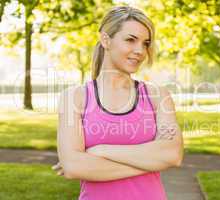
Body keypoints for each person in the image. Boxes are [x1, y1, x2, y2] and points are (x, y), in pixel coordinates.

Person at [52, 5, 184, 200]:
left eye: (145, 43)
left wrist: (101, 151)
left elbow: (172, 155)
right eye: (131, 40)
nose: (140, 50)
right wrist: (151, 161)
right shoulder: (75, 98)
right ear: (106, 40)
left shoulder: (158, 96)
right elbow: (73, 167)